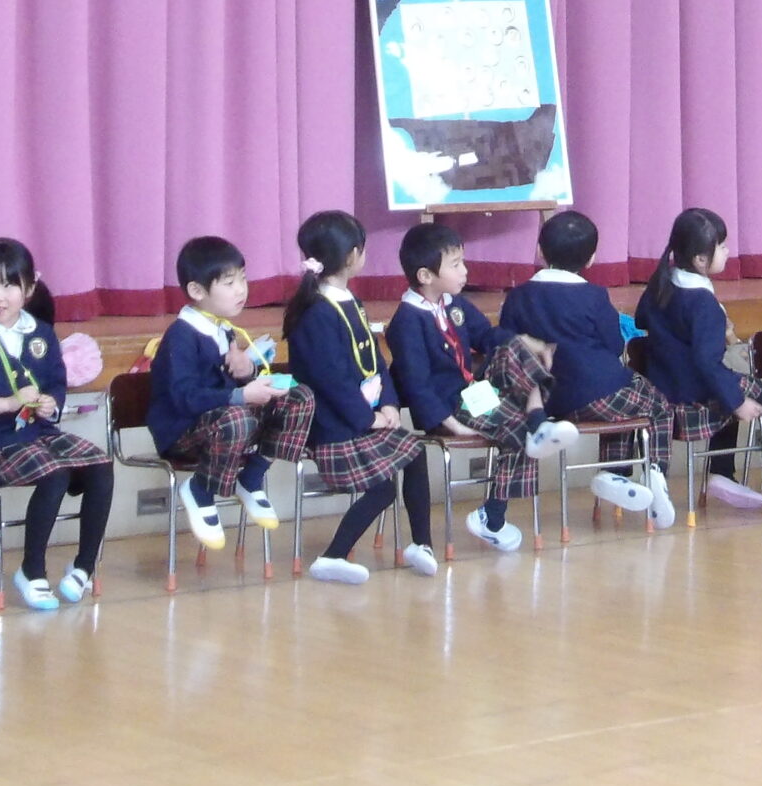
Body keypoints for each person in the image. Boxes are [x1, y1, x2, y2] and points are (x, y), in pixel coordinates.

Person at [0, 238, 115, 609]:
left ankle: (84, 566)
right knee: (55, 472)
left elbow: (56, 382)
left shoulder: (41, 332)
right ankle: (32, 571)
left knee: (100, 463)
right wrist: (7, 403)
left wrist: (51, 403)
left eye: (8, 285)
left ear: (29, 288)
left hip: (38, 431)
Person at [386, 218, 576, 555]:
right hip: (448, 408)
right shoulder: (407, 321)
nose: (465, 271)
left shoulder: (453, 304)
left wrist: (530, 342)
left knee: (511, 347)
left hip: (473, 395)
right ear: (426, 275)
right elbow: (416, 385)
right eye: (455, 264)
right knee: (521, 430)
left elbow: (487, 336)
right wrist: (452, 424)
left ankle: (533, 429)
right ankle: (496, 512)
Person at [280, 209, 439, 583]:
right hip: (335, 427)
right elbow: (331, 379)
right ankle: (332, 556)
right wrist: (368, 418)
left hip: (362, 421)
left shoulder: (350, 300)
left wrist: (389, 403)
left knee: (415, 452)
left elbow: (377, 362)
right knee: (383, 488)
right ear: (353, 255)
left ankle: (422, 545)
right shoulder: (317, 312)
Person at [500, 210, 675, 526]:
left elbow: (508, 345)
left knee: (623, 408)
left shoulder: (518, 296)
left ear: (539, 251)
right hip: (598, 393)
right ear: (592, 258)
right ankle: (650, 473)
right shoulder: (594, 295)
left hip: (545, 403)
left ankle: (615, 474)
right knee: (657, 405)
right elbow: (614, 344)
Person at [634, 209, 762, 517]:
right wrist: (737, 402)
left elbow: (641, 319)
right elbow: (706, 362)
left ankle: (722, 472)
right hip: (691, 389)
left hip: (662, 384)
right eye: (722, 246)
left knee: (730, 381)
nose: (728, 251)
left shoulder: (661, 284)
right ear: (700, 259)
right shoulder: (703, 303)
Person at [144, 235, 313, 550]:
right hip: (182, 433)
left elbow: (232, 388)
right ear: (197, 291)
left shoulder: (225, 329)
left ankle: (251, 477)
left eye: (243, 279)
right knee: (237, 418)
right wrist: (241, 395)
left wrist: (247, 373)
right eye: (229, 283)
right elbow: (185, 398)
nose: (241, 290)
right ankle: (200, 489)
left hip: (225, 425)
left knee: (298, 397)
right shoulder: (182, 335)